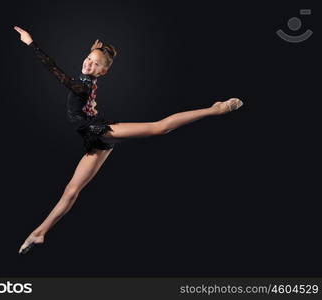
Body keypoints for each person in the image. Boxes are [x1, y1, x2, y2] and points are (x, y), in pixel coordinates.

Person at [13, 26, 243, 254]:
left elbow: (52, 68)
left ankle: (215, 110)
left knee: (159, 128)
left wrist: (31, 43)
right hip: (94, 138)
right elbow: (91, 67)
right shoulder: (87, 77)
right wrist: (96, 52)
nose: (88, 63)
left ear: (103, 72)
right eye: (87, 59)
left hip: (98, 131)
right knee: (71, 190)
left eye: (95, 64)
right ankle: (40, 232)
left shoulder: (81, 86)